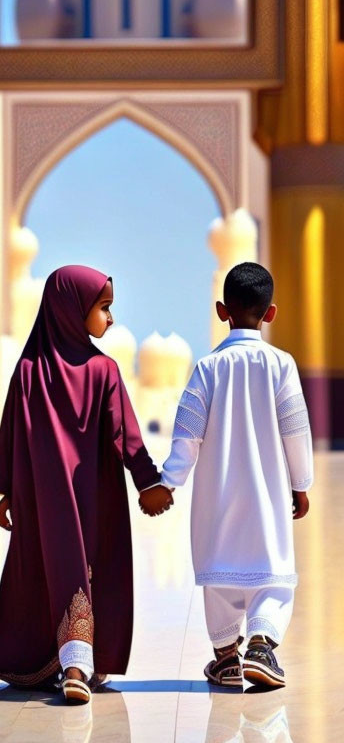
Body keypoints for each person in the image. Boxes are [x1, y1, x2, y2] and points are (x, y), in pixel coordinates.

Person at [0, 265, 172, 704]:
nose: (111, 318)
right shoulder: (103, 371)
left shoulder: (28, 370)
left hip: (44, 500)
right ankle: (78, 666)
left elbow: (11, 434)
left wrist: (8, 489)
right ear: (71, 310)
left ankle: (70, 662)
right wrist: (148, 484)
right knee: (86, 566)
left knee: (53, 566)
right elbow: (127, 436)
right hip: (93, 500)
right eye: (103, 308)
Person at [141, 262, 313, 689]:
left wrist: (167, 482)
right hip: (269, 500)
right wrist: (301, 483)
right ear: (270, 313)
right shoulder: (281, 365)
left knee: (219, 578)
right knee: (272, 576)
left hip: (217, 506)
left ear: (222, 310)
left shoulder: (206, 368)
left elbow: (187, 435)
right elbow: (296, 429)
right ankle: (262, 645)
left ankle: (226, 658)